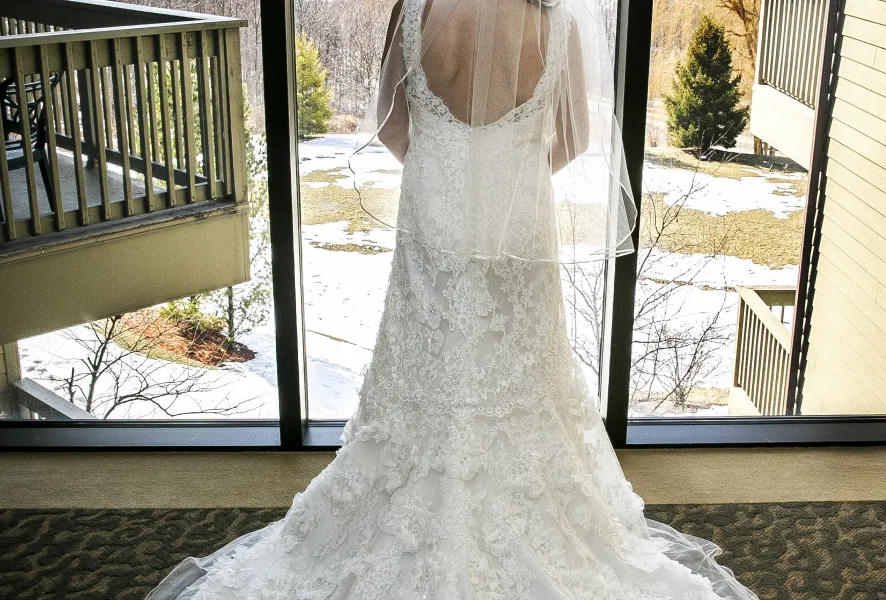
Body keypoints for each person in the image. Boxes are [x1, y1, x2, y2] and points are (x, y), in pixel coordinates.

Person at [148, 0, 758, 597]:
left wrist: (447, 165)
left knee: (422, 362)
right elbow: (574, 137)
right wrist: (507, 172)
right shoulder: (556, 23)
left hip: (433, 216)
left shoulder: (416, 8)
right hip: (518, 221)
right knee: (522, 370)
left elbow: (389, 123)